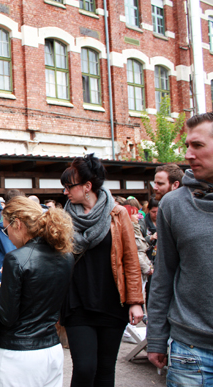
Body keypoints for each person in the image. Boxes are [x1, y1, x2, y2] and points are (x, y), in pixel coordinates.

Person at [147, 112, 213, 384]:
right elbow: (163, 275)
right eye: (187, 146)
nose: (189, 154)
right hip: (191, 349)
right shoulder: (173, 205)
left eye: (198, 145)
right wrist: (156, 337)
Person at [0, 196, 75, 387]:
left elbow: (8, 316)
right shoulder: (65, 254)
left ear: (17, 224)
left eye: (6, 228)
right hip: (51, 348)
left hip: (18, 354)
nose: (7, 235)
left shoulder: (16, 259)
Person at [60, 154, 144, 387]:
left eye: (69, 186)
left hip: (111, 301)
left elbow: (130, 258)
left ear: (87, 187)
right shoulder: (63, 217)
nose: (65, 192)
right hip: (76, 302)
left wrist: (135, 300)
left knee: (106, 371)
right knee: (85, 368)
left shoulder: (117, 214)